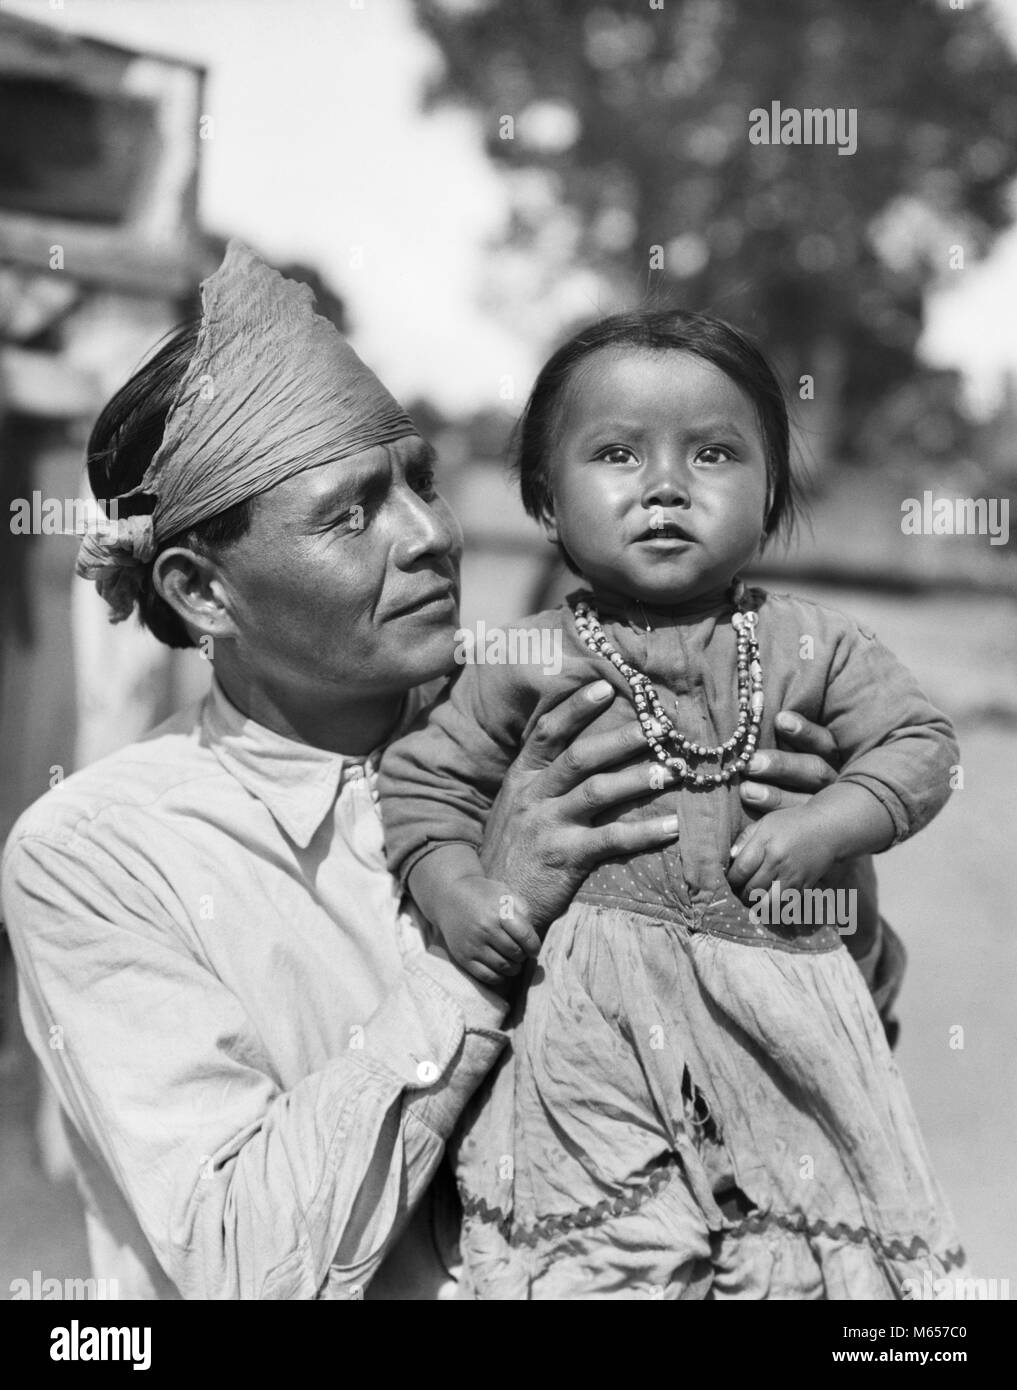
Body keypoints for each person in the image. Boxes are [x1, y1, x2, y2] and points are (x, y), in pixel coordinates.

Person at [1, 246, 900, 1300]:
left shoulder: (576, 717)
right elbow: (241, 1261)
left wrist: (816, 897)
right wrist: (483, 943)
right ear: (202, 592)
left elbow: (827, 1068)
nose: (431, 535)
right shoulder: (98, 853)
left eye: (423, 483)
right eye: (351, 514)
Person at [379, 309, 967, 1299]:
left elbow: (925, 751)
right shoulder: (522, 658)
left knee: (824, 1257)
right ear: (545, 502)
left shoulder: (816, 647)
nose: (664, 486)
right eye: (614, 453)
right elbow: (425, 782)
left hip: (778, 1017)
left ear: (771, 498)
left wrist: (831, 822)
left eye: (715, 454)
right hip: (585, 1035)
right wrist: (454, 891)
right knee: (603, 1261)